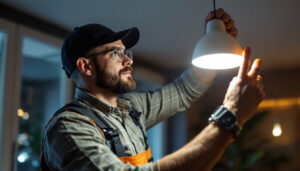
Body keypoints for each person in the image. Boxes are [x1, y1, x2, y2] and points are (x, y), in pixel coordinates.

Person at [41, 8, 265, 171]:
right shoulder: (68, 128)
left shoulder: (131, 108)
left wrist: (215, 39)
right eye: (116, 53)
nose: (128, 61)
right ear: (86, 66)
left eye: (126, 53)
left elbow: (184, 90)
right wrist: (230, 115)